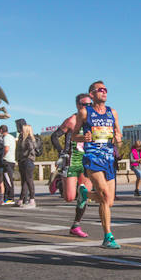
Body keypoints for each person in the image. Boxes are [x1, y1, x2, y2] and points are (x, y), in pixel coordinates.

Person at [72, 81, 123, 249]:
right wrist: (83, 138)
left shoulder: (112, 112)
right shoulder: (85, 112)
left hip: (109, 158)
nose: (104, 92)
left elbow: (118, 134)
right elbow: (73, 136)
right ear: (92, 95)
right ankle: (108, 236)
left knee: (109, 201)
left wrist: (118, 138)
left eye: (106, 89)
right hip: (92, 157)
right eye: (100, 90)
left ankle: (85, 195)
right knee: (105, 195)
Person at [50, 93, 95, 238]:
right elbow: (54, 136)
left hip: (86, 160)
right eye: (84, 104)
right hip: (71, 160)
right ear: (77, 105)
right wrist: (61, 152)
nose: (87, 107)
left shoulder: (93, 121)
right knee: (69, 197)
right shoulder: (71, 120)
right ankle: (58, 181)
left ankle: (76, 224)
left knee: (84, 194)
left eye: (90, 105)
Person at [16, 124, 37, 208]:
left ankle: (32, 200)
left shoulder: (28, 139)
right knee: (24, 181)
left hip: (27, 161)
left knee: (29, 180)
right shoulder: (23, 138)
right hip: (23, 161)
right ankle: (21, 200)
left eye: (22, 129)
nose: (21, 130)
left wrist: (26, 154)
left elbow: (31, 148)